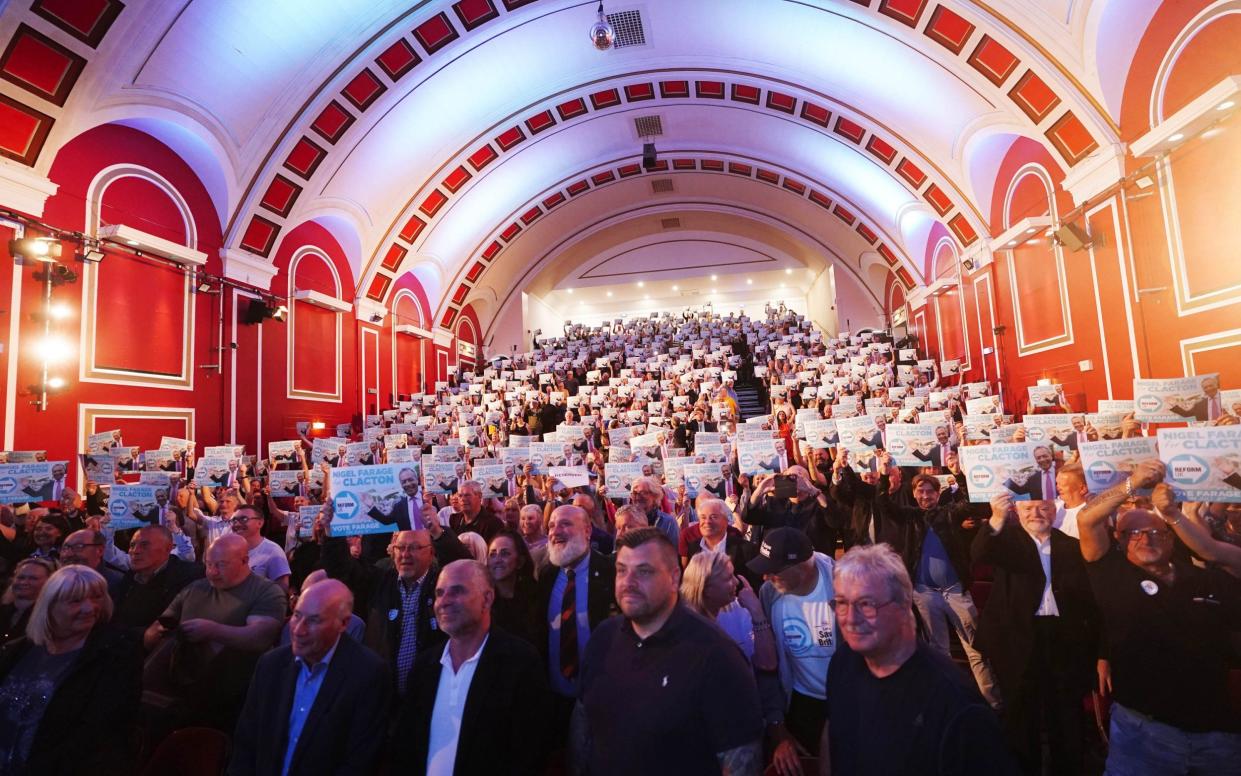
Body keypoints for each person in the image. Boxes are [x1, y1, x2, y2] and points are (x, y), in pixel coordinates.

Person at [1076, 461, 1241, 773]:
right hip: (1144, 736)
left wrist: (1175, 514)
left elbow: (1213, 552)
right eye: (1133, 534)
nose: (1145, 539)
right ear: (1119, 540)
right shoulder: (1111, 574)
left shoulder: (1205, 579)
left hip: (1217, 736)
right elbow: (1087, 519)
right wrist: (1132, 483)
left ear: (1171, 537)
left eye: (1155, 532)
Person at [574, 528, 763, 775]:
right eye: (621, 570)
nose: (628, 582)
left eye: (644, 571)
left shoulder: (717, 654)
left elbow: (741, 760)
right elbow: (583, 726)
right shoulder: (603, 638)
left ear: (675, 577)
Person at [821, 544, 1017, 775]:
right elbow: (834, 733)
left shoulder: (957, 706)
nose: (851, 619)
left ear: (905, 604)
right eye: (842, 603)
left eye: (866, 604)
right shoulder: (843, 662)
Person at [972, 496, 1099, 775]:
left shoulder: (1071, 546)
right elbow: (979, 552)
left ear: (1055, 511)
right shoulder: (1006, 542)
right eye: (1028, 508)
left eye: (1043, 508)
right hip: (1016, 638)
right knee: (1020, 713)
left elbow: (1088, 600)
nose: (1036, 513)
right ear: (1018, 511)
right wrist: (996, 516)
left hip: (1063, 638)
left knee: (1065, 714)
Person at [400, 560, 551, 775]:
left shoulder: (520, 663)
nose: (444, 601)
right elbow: (406, 747)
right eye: (440, 593)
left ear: (487, 599)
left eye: (457, 591)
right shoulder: (425, 666)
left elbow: (529, 754)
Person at [229, 580, 389, 776]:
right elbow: (246, 742)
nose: (298, 630)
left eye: (313, 620)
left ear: (343, 623)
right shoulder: (271, 665)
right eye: (297, 616)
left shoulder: (367, 674)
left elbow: (360, 761)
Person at [875, 467, 1000, 709]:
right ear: (913, 494)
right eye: (920, 491)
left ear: (937, 492)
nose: (924, 495)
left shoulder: (948, 514)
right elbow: (884, 506)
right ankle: (948, 702)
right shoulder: (910, 517)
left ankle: (993, 703)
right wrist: (882, 478)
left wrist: (961, 475)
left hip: (955, 591)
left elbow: (969, 503)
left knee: (976, 649)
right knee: (938, 652)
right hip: (924, 593)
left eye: (929, 491)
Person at [0, 565, 143, 775]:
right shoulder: (17, 650)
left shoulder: (117, 655)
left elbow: (96, 734)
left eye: (96, 598)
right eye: (76, 601)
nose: (89, 608)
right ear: (49, 605)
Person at [318, 506, 470, 696]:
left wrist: (438, 533)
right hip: (382, 696)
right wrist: (332, 532)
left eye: (415, 548)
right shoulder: (379, 580)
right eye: (401, 548)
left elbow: (466, 571)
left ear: (431, 553)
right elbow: (342, 570)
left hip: (432, 694)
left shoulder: (442, 586)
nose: (406, 554)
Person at [143, 534, 286, 729]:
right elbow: (159, 626)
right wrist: (156, 635)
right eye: (208, 564)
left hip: (234, 696)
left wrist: (213, 631)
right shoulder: (195, 588)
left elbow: (260, 636)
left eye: (221, 565)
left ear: (245, 560)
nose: (212, 572)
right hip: (182, 693)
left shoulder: (265, 592)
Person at [749, 526, 837, 765]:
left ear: (801, 566)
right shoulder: (770, 594)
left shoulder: (842, 587)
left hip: (848, 700)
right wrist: (778, 726)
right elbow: (770, 668)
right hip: (801, 703)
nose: (765, 577)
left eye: (773, 571)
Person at [537, 504, 616, 738]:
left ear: (588, 531)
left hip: (600, 699)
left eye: (565, 524)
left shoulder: (611, 573)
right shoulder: (545, 575)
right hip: (554, 699)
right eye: (551, 525)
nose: (555, 531)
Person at [680, 551, 777, 670]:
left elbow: (768, 663)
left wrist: (756, 611)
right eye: (728, 578)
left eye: (733, 575)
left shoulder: (738, 608)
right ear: (706, 588)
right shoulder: (683, 627)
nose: (736, 582)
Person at [111, 524, 204, 634]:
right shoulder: (129, 578)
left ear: (168, 548)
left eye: (144, 545)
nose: (135, 551)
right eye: (132, 545)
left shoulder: (188, 579)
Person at [683, 496, 761, 588]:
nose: (707, 521)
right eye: (703, 517)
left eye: (713, 517)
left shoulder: (747, 550)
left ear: (726, 521)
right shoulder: (693, 547)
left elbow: (755, 586)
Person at [486, 529, 540, 646]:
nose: (497, 560)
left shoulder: (536, 596)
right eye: (492, 554)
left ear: (520, 561)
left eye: (505, 554)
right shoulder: (482, 600)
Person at [229, 504, 291, 594]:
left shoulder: (273, 551)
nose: (237, 524)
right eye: (234, 520)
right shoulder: (228, 550)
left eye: (244, 519)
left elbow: (281, 589)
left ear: (260, 523)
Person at [0, 557, 54, 644]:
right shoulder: (3, 610)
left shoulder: (49, 617)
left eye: (33, 578)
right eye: (20, 577)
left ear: (48, 582)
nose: (24, 582)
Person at [365, 466, 425, 531]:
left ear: (417, 479)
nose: (408, 484)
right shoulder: (398, 506)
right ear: (401, 485)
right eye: (404, 482)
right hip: (409, 540)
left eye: (410, 479)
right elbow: (386, 520)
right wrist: (371, 505)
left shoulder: (429, 499)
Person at [629, 476, 680, 546]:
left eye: (643, 493)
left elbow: (674, 552)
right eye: (634, 493)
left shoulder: (668, 522)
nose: (638, 497)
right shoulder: (626, 520)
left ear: (655, 495)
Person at [449, 480, 504, 545]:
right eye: (460, 496)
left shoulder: (493, 524)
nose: (463, 499)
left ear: (479, 496)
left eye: (467, 495)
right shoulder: (454, 519)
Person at [1053, 463, 1089, 538]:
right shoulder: (1053, 505)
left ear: (1082, 489)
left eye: (1063, 485)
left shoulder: (1090, 515)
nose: (1057, 488)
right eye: (1057, 483)